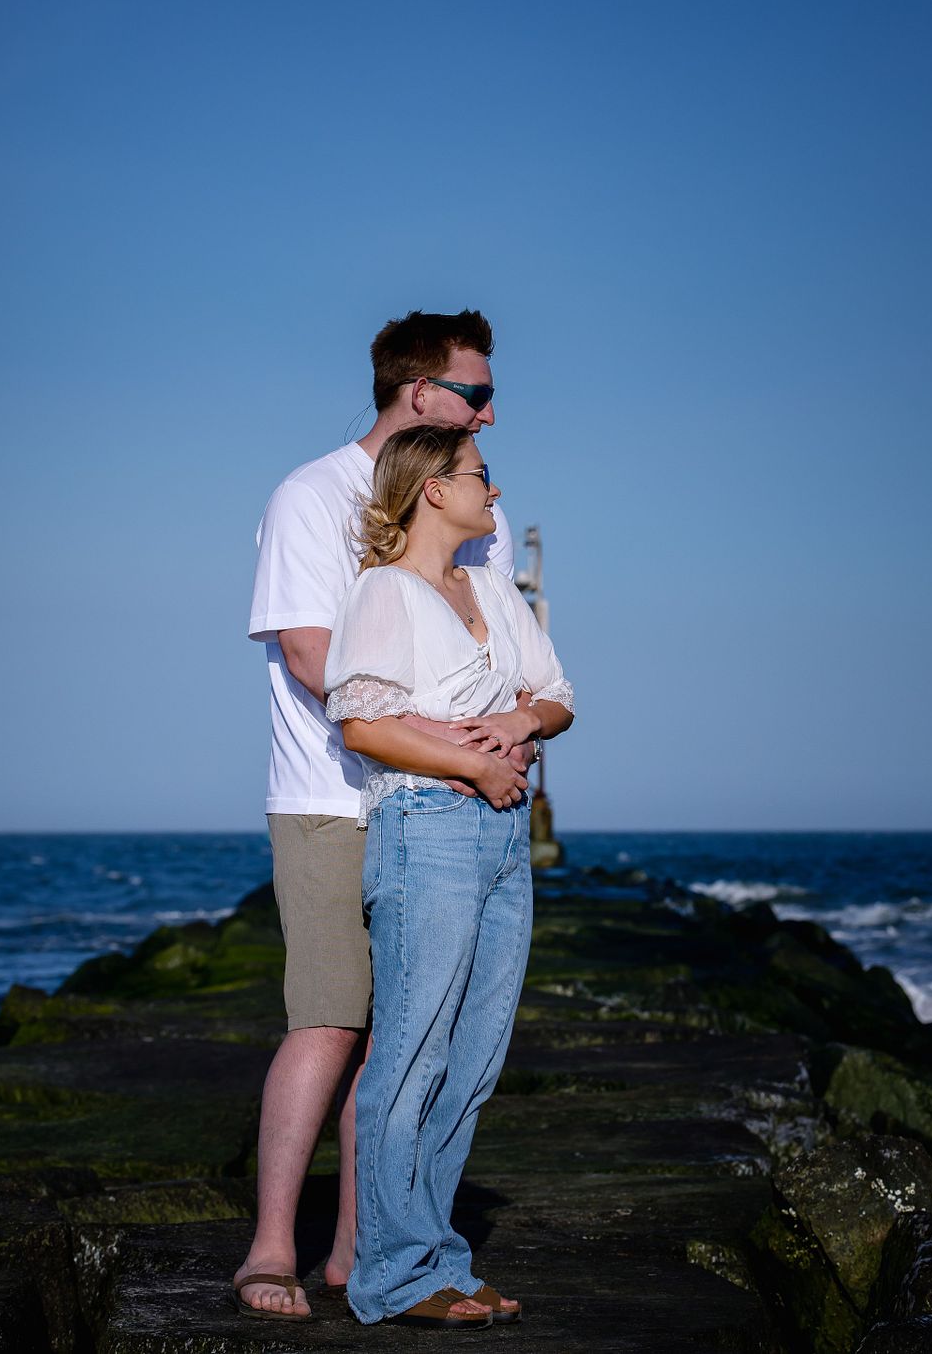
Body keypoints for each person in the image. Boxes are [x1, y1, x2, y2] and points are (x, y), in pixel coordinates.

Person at [236, 311, 537, 1319]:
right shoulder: (311, 495)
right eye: (476, 395)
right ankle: (273, 1248)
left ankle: (368, 1256)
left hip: (436, 807)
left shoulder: (463, 510)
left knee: (409, 1038)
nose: (492, 413)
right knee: (328, 1019)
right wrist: (459, 751)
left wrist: (501, 736)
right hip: (331, 797)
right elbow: (319, 661)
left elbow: (498, 650)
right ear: (420, 394)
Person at [324, 423, 574, 1330]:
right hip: (425, 829)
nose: (494, 492)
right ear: (433, 488)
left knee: (472, 1063)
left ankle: (438, 1259)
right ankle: (392, 1275)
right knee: (413, 1055)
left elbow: (558, 699)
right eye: (481, 477)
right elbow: (361, 724)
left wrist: (514, 731)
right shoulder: (384, 592)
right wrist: (468, 764)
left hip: (504, 837)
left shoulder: (496, 590)